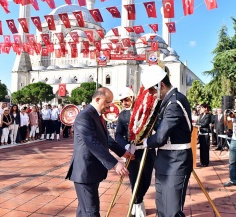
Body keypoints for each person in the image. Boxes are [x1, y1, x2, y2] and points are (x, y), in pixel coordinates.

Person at [65, 87, 132, 217]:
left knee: (84, 210)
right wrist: (115, 163)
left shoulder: (96, 115)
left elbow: (106, 139)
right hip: (84, 171)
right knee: (91, 212)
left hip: (92, 171)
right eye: (107, 102)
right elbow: (92, 142)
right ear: (97, 99)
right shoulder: (84, 116)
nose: (110, 106)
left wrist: (123, 152)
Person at [141, 65, 193, 217]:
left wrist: (145, 142)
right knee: (162, 207)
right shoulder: (168, 102)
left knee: (172, 210)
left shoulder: (175, 103)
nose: (150, 93)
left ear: (161, 85)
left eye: (151, 89)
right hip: (165, 159)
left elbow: (160, 137)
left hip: (176, 161)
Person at [115, 87, 155, 216]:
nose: (124, 103)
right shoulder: (123, 114)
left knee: (146, 180)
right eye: (122, 101)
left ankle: (136, 201)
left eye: (126, 99)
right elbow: (118, 135)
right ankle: (137, 206)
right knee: (134, 180)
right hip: (131, 152)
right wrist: (125, 146)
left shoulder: (145, 111)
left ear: (132, 98)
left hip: (147, 150)